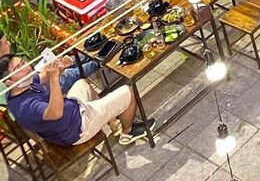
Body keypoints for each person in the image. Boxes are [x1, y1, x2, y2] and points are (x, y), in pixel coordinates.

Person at [0, 54, 149, 146]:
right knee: (128, 91)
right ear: (8, 81)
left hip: (70, 115)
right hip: (76, 129)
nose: (26, 68)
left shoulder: (20, 85)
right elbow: (56, 113)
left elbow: (44, 76)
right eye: (18, 69)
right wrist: (54, 79)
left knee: (81, 83)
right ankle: (128, 132)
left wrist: (61, 68)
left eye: (23, 63)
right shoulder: (26, 106)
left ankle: (113, 122)